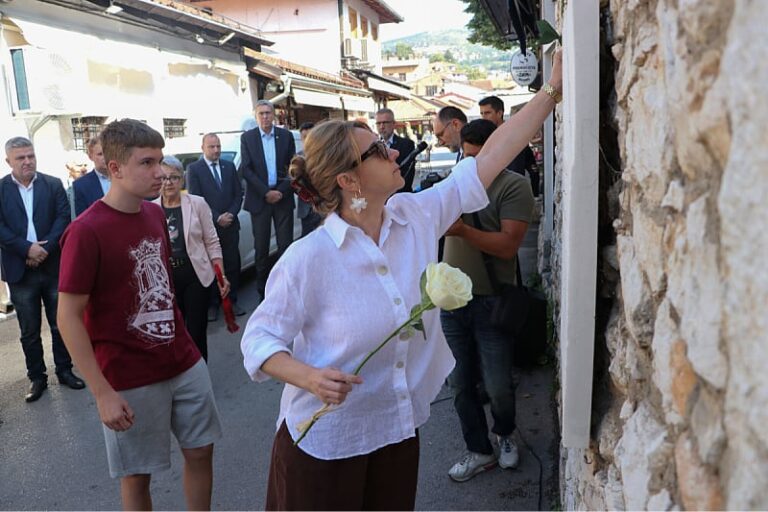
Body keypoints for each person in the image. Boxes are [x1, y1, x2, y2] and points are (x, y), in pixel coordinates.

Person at [240, 51, 562, 510]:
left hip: (395, 432)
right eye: (376, 150)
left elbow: (489, 158)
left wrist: (551, 91)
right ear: (349, 180)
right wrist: (309, 377)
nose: (393, 151)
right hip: (325, 444)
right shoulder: (308, 258)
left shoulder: (414, 217)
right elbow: (258, 342)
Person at [57, 119, 222, 511]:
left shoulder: (153, 215)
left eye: (161, 161)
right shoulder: (86, 230)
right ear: (115, 169)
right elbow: (68, 317)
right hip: (128, 375)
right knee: (137, 476)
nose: (161, 172)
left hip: (182, 360)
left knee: (201, 453)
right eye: (147, 163)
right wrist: (102, 393)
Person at [440, 119, 535, 482]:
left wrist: (463, 229)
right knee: (460, 384)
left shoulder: (514, 187)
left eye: (478, 159)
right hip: (451, 302)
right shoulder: (454, 184)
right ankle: (479, 450)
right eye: (466, 158)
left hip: (493, 300)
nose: (472, 167)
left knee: (497, 384)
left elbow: (509, 245)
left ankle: (506, 435)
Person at [0, 136, 85, 402]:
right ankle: (37, 378)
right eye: (20, 158)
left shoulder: (52, 184)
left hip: (52, 266)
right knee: (28, 331)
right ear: (8, 161)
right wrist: (26, 249)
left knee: (61, 323)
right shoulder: (1, 189)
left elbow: (63, 219)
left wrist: (43, 250)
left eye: (30, 156)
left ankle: (65, 370)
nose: (27, 161)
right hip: (20, 270)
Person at [155, 155, 230, 361]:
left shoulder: (197, 204)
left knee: (196, 331)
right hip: (165, 280)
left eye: (174, 177)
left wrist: (221, 275)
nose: (168, 182)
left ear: (182, 180)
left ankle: (200, 376)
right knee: (170, 333)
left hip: (196, 276)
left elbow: (212, 242)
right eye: (163, 178)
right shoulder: (150, 209)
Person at [240, 99, 296, 297]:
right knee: (261, 250)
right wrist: (266, 192)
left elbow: (293, 167)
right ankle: (263, 294)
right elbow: (246, 169)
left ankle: (286, 289)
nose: (265, 117)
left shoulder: (286, 136)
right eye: (261, 113)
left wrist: (280, 191)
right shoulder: (248, 138)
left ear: (274, 115)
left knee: (285, 246)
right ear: (256, 117)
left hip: (283, 198)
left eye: (268, 113)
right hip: (260, 201)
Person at [186, 133, 246, 320]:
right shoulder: (194, 169)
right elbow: (195, 197)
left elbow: (238, 194)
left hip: (230, 225)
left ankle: (232, 300)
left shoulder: (229, 167)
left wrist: (231, 214)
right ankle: (213, 304)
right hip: (208, 227)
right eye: (212, 147)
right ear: (203, 147)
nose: (216, 150)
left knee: (232, 263)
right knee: (212, 266)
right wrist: (216, 217)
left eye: (218, 146)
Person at [479, 95, 540, 195]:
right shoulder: (486, 135)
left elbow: (517, 170)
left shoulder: (511, 135)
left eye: (487, 113)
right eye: (482, 113)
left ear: (499, 113)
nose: (484, 117)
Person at [375, 108, 416, 192]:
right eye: (378, 123)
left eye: (385, 123)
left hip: (400, 196)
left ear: (394, 124)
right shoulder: (372, 146)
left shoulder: (407, 144)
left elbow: (407, 175)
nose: (382, 126)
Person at [295, 122, 323, 237]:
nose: (307, 140)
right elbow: (294, 184)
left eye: (310, 136)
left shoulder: (326, 156)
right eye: (304, 137)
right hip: (306, 210)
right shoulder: (297, 159)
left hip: (324, 208)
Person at [73, 137, 111, 217]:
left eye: (108, 152)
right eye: (100, 154)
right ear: (90, 156)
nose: (106, 157)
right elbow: (82, 218)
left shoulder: (126, 178)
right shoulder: (81, 185)